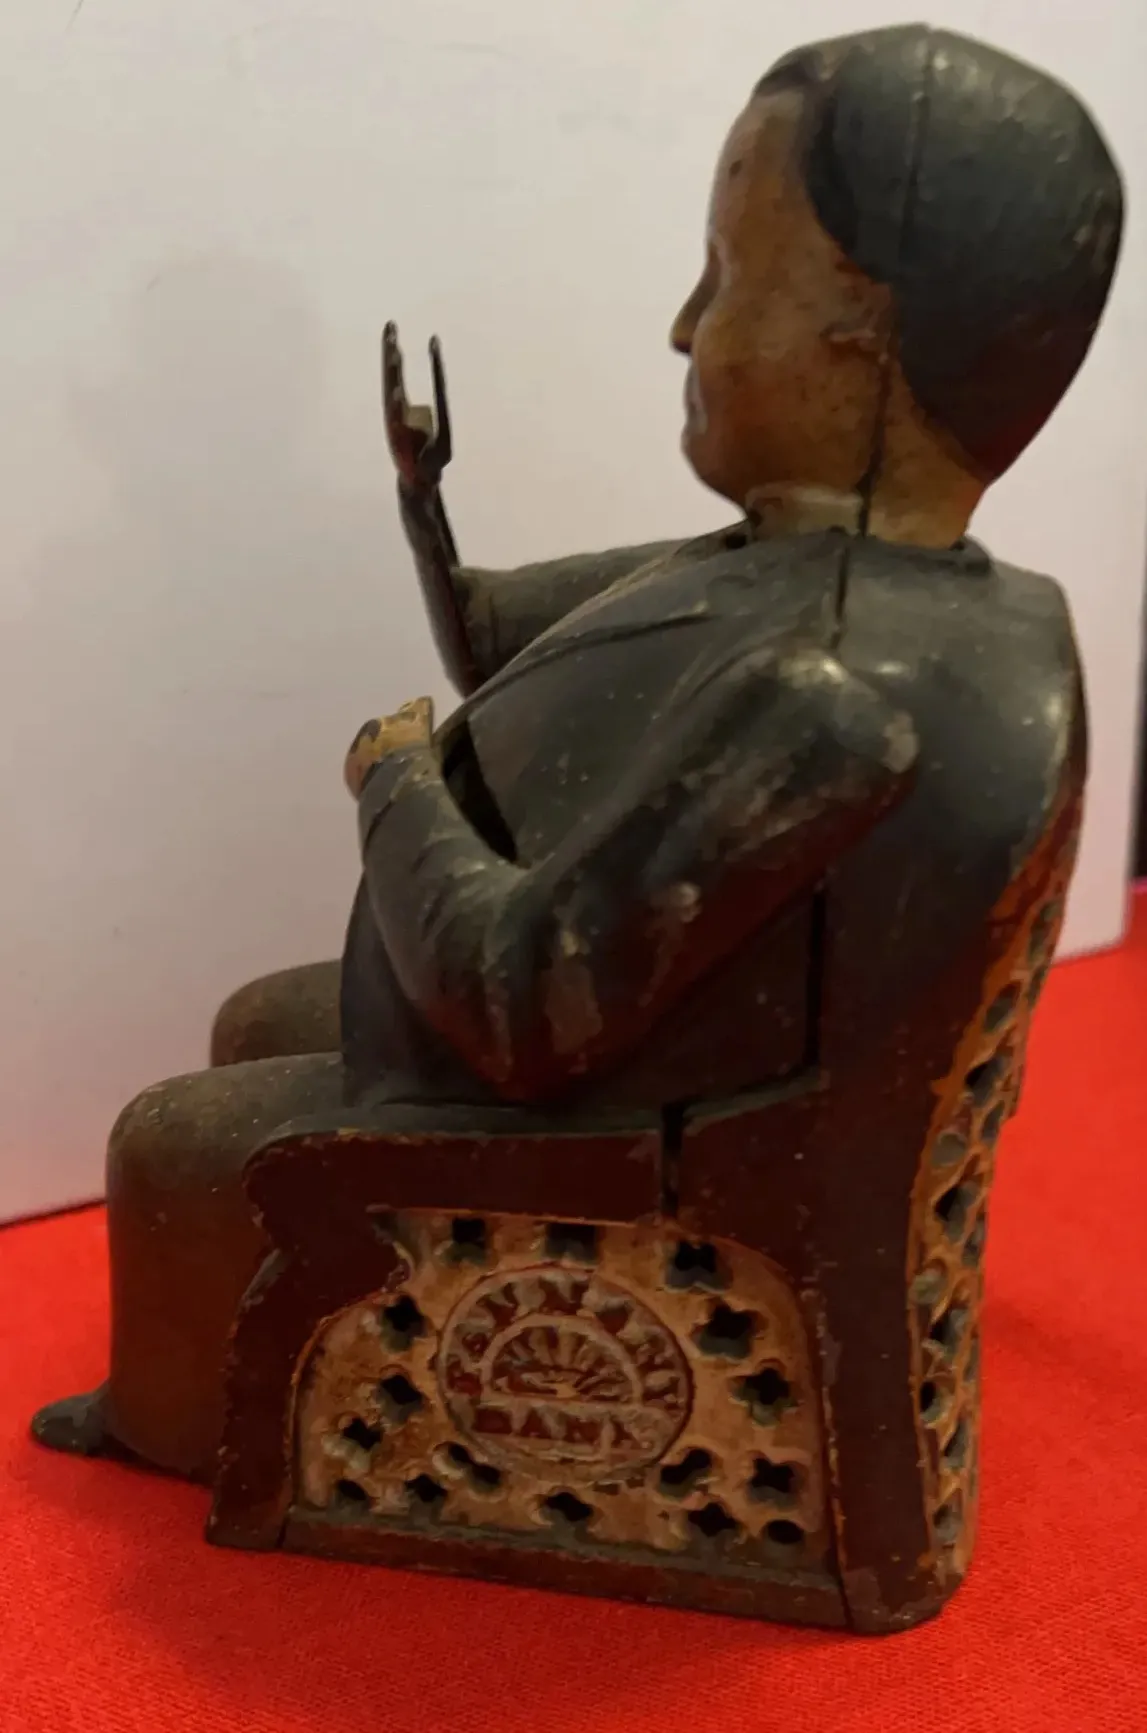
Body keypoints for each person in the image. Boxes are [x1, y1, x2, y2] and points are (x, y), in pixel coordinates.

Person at [34, 25, 1121, 1481]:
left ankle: (190, 1422)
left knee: (170, 1142)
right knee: (255, 1020)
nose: (681, 327)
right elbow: (507, 638)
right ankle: (268, 1338)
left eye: (726, 279)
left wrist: (393, 780)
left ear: (859, 335)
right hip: (672, 1023)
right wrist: (425, 505)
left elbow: (525, 1003)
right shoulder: (791, 570)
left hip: (671, 1115)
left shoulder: (831, 688)